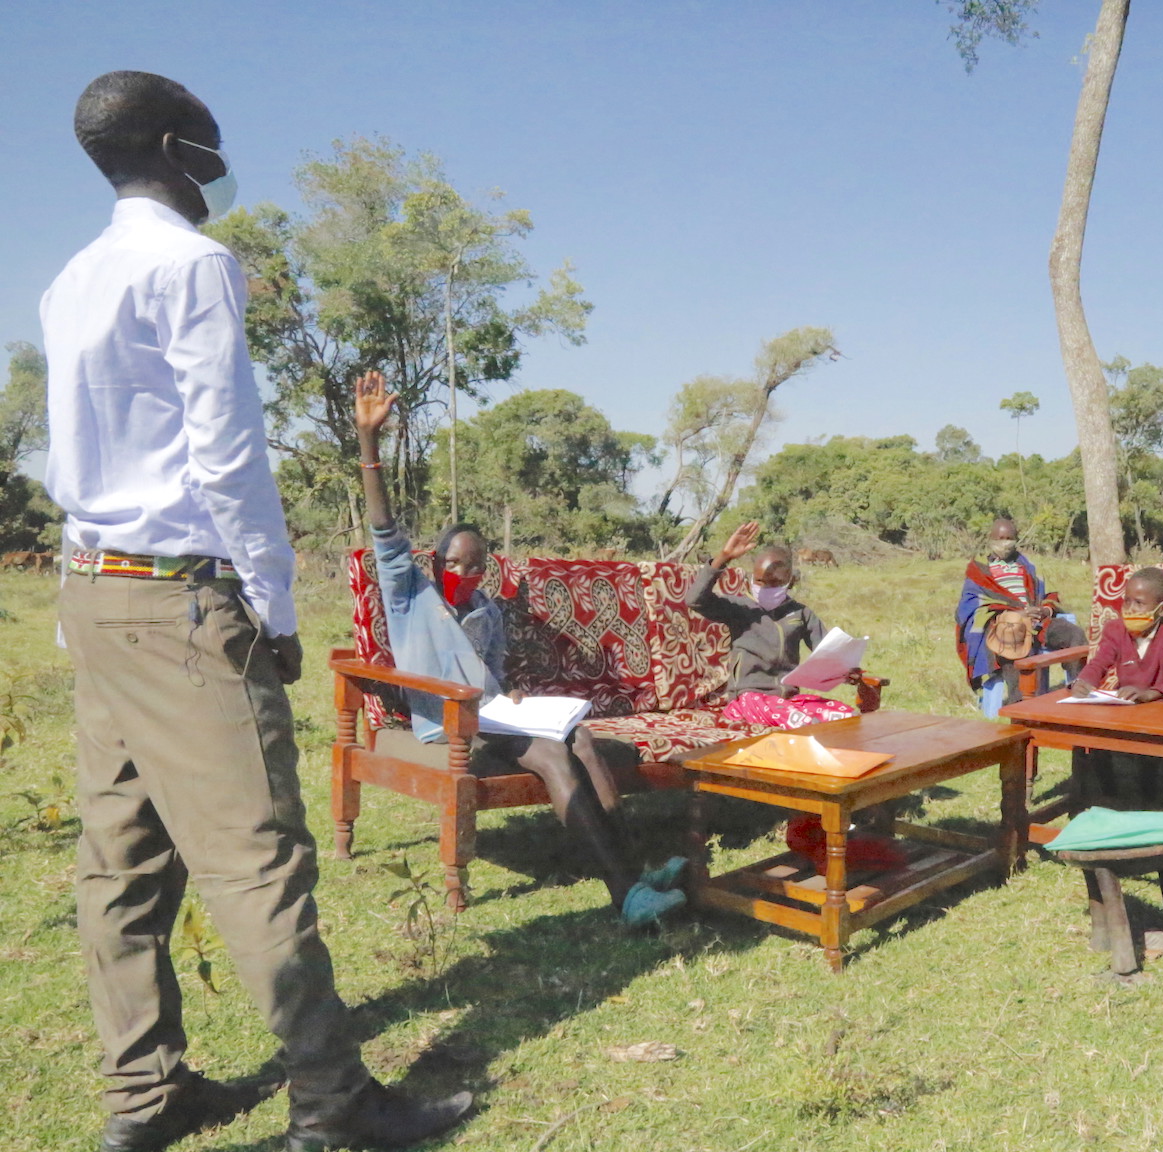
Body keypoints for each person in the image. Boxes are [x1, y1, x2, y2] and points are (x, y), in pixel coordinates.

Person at [42, 71, 470, 1151]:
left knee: (121, 862)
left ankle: (144, 1096)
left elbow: (71, 459)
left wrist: (74, 609)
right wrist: (272, 607)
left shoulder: (71, 279)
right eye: (215, 155)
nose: (221, 177)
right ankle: (330, 1104)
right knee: (257, 859)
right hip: (183, 603)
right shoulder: (193, 264)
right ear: (181, 149)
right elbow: (226, 453)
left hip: (96, 595)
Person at [352, 371, 682, 926]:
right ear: (434, 561)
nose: (463, 571)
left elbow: (494, 671)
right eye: (453, 562)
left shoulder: (487, 609)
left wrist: (516, 690)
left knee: (581, 736)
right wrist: (370, 445)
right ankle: (624, 894)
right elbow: (384, 531)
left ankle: (636, 870)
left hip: (495, 711)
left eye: (475, 564)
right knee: (553, 754)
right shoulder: (411, 596)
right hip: (451, 717)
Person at [687, 520, 860, 729]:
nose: (764, 588)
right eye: (759, 581)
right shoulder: (738, 608)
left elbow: (828, 653)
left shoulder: (800, 613)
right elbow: (695, 600)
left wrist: (846, 669)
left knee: (847, 717)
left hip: (789, 699)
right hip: (746, 700)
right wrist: (723, 558)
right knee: (801, 722)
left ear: (789, 582)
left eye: (774, 583)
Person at [955, 517, 1088, 708]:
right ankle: (1020, 703)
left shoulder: (1027, 566)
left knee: (1075, 634)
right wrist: (1016, 616)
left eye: (1010, 538)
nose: (1005, 543)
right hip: (1006, 625)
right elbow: (972, 606)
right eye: (1000, 538)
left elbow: (1045, 594)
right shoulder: (980, 572)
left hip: (1038, 621)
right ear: (991, 539)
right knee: (1013, 637)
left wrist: (1044, 610)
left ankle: (1077, 688)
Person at [1068, 567, 1163, 704]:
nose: (1130, 608)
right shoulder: (1116, 629)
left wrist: (1150, 694)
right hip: (1125, 705)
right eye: (1127, 601)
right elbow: (1098, 664)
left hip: (1160, 709)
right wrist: (1082, 682)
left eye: (1139, 603)